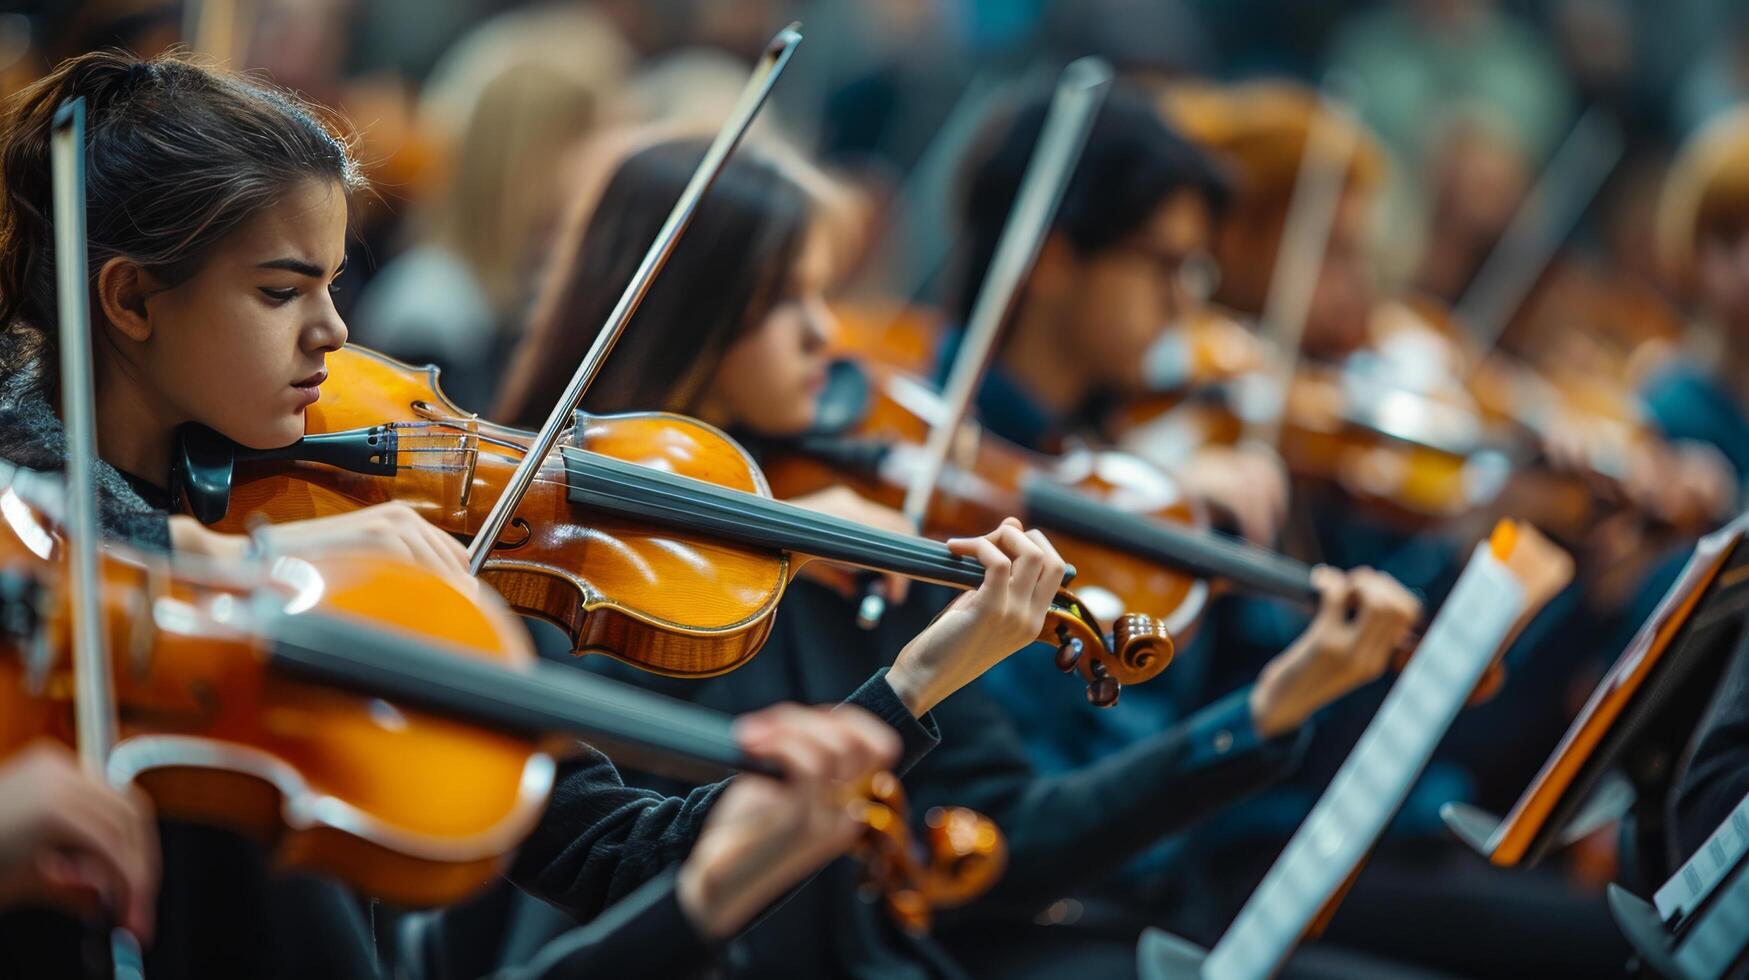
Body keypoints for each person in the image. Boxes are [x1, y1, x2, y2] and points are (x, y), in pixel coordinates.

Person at [0, 50, 1067, 978]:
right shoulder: (46, 539)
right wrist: (232, 555)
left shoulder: (362, 551)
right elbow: (43, 515)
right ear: (132, 300)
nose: (333, 331)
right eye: (282, 293)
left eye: (332, 284)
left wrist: (912, 685)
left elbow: (618, 852)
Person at [491, 132, 1423, 978]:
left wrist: (1264, 711)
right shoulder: (566, 565)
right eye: (783, 302)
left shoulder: (860, 556)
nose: (828, 332)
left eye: (824, 291)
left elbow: (1011, 829)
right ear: (687, 315)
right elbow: (619, 857)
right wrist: (776, 554)